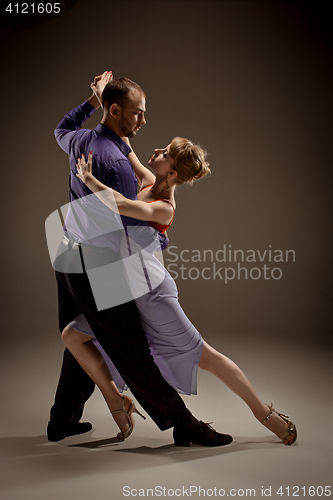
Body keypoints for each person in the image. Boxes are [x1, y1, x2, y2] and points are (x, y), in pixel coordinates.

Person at [63, 132, 297, 446]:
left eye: (165, 152)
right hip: (121, 288)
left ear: (171, 172)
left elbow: (118, 204)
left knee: (206, 356)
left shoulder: (164, 208)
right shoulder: (148, 179)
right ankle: (116, 399)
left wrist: (88, 179)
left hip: (151, 295)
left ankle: (267, 417)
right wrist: (102, 101)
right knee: (72, 336)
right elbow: (126, 147)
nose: (156, 150)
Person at [47, 71, 233, 448]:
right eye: (137, 114)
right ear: (116, 110)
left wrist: (92, 102)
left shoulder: (82, 141)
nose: (143, 121)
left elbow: (61, 128)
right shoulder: (115, 164)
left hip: (65, 251)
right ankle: (185, 425)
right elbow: (125, 223)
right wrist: (159, 234)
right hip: (96, 262)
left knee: (84, 334)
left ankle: (62, 420)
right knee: (132, 348)